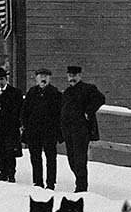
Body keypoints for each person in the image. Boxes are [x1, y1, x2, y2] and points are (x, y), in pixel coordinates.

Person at [60, 65, 106, 193]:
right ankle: (79, 182)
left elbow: (101, 98)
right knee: (71, 159)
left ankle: (81, 187)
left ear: (79, 76)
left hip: (81, 130)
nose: (72, 78)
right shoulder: (67, 92)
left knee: (80, 160)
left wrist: (88, 111)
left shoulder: (88, 89)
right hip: (68, 131)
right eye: (69, 76)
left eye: (74, 76)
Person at [21, 68, 63, 189]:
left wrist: (56, 130)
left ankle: (50, 183)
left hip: (49, 132)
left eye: (46, 76)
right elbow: (24, 111)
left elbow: (59, 114)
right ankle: (37, 181)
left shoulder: (55, 93)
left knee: (51, 158)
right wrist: (26, 126)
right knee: (35, 157)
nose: (43, 79)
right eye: (40, 76)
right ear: (36, 78)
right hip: (33, 132)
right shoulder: (32, 92)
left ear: (49, 79)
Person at [0, 67, 23, 182]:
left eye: (2, 79)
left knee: (10, 151)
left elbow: (19, 110)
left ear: (6, 79)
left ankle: (11, 173)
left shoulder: (15, 92)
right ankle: (3, 171)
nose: (0, 82)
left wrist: (18, 124)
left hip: (10, 127)